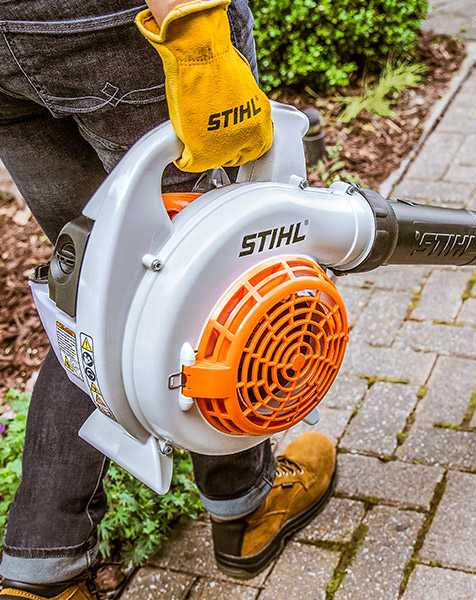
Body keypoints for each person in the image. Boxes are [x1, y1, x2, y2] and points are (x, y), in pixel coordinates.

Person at [0, 1, 337, 598]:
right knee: (215, 270)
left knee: (94, 292)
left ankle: (42, 575)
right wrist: (195, 28)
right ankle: (246, 510)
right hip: (116, 25)